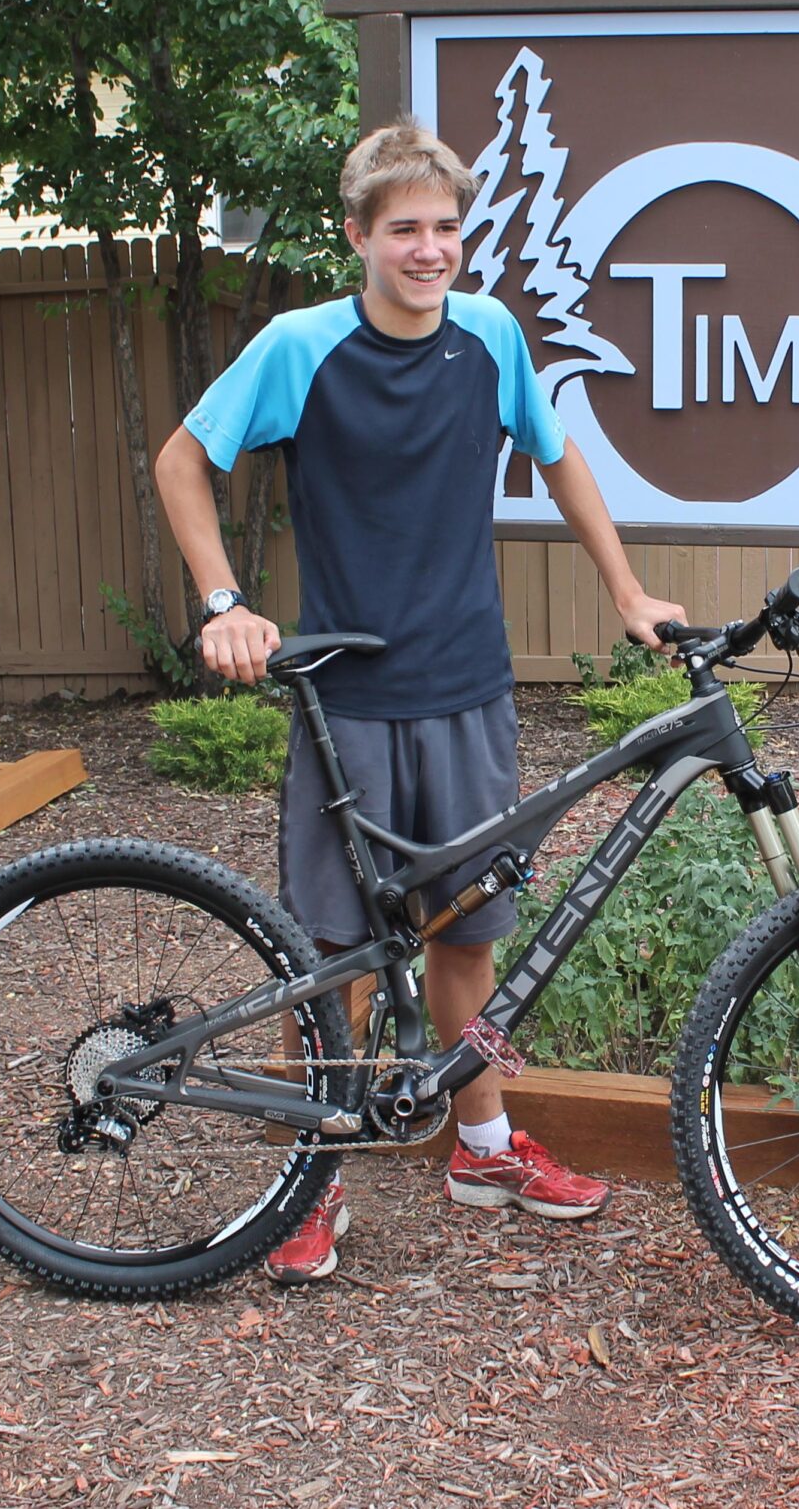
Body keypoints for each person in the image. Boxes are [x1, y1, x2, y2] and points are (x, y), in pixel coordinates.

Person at [152, 119, 686, 1284]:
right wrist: (223, 600)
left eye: (446, 228)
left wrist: (630, 589)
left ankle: (481, 1146)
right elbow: (180, 460)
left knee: (463, 929)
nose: (429, 249)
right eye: (404, 230)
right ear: (358, 237)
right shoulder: (302, 347)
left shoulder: (489, 336)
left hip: (466, 685)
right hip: (348, 697)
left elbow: (558, 455)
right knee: (334, 951)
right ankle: (310, 1187)